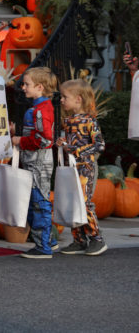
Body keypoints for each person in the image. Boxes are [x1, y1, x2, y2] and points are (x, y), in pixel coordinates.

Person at [54, 79, 107, 256]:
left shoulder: (90, 121)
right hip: (72, 167)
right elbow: (70, 143)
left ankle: (97, 239)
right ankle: (79, 240)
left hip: (86, 167)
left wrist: (75, 150)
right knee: (72, 202)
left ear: (78, 99)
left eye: (65, 97)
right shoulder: (68, 121)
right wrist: (63, 142)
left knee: (84, 203)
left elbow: (99, 145)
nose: (61, 100)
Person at [12, 66, 57, 258]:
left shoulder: (40, 110)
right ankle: (48, 240)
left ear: (40, 87)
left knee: (39, 202)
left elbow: (45, 140)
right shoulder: (40, 109)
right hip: (34, 161)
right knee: (35, 201)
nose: (23, 87)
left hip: (38, 162)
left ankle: (43, 246)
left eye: (27, 84)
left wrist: (20, 141)